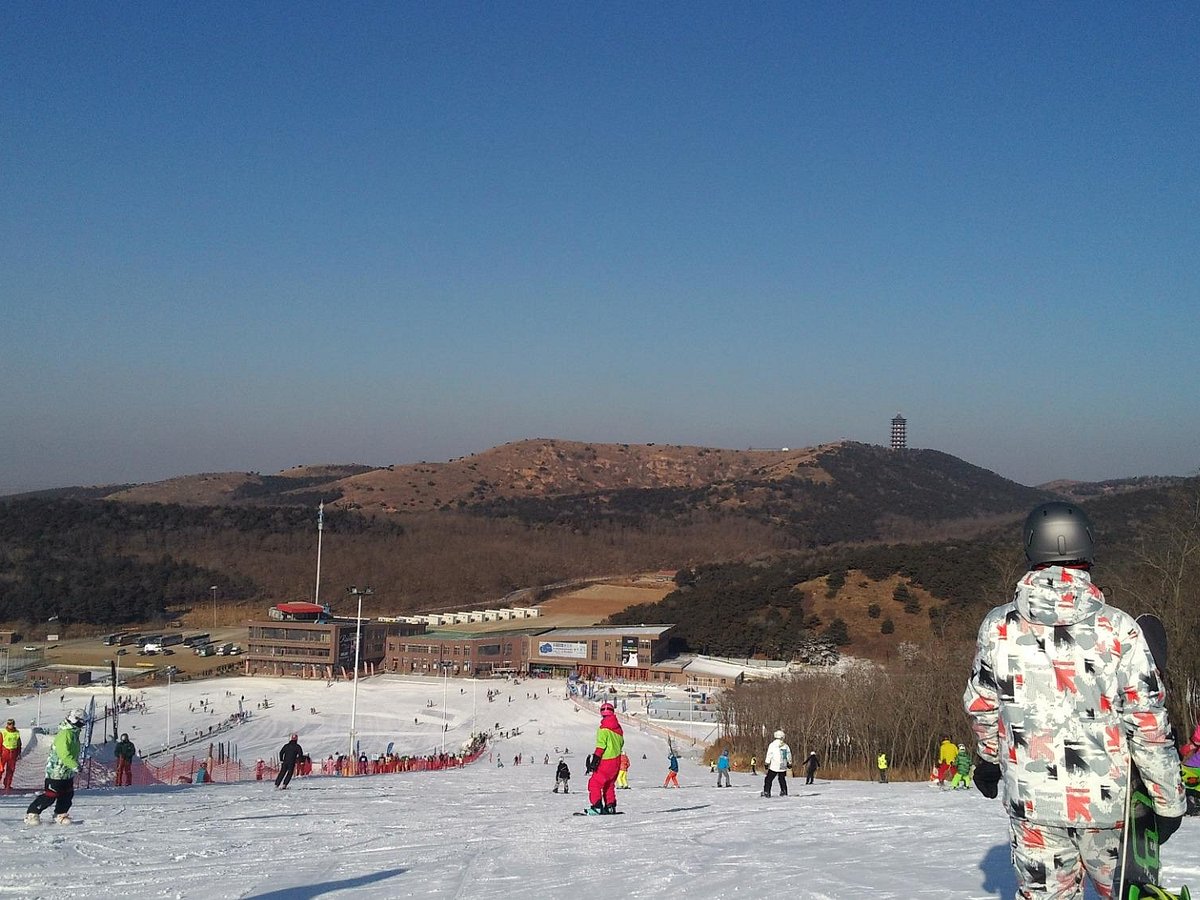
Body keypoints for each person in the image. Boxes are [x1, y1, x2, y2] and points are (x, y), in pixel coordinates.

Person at [964, 501, 1185, 900]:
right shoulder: (1119, 628)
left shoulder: (998, 626)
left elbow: (983, 705)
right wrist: (1167, 798)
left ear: (1031, 548)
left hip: (1032, 802)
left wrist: (988, 759)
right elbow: (1148, 721)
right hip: (1110, 805)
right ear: (1087, 548)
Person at [25, 708, 85, 825]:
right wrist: (75, 765)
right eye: (82, 721)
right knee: (51, 795)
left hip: (66, 771)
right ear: (75, 720)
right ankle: (32, 813)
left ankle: (60, 813)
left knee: (67, 794)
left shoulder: (73, 733)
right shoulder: (65, 734)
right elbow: (64, 753)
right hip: (56, 771)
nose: (83, 724)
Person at [585, 700, 624, 814]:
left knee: (595, 783)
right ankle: (610, 806)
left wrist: (595, 761)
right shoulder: (619, 730)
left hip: (606, 760)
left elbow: (601, 746)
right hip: (616, 761)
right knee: (609, 784)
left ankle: (597, 807)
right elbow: (621, 744)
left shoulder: (603, 729)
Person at [762, 730, 791, 797]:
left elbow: (769, 754)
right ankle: (784, 791)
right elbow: (788, 754)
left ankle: (767, 791)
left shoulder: (772, 745)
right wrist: (789, 763)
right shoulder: (785, 745)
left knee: (768, 779)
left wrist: (767, 763)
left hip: (774, 765)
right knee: (782, 779)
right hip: (783, 764)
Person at [2, 718, 23, 790]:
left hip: (13, 752)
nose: (10, 725)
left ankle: (7, 785)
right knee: (1, 769)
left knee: (10, 770)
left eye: (12, 724)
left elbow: (19, 743)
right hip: (4, 752)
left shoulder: (16, 732)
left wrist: (19, 752)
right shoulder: (3, 732)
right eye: (9, 724)